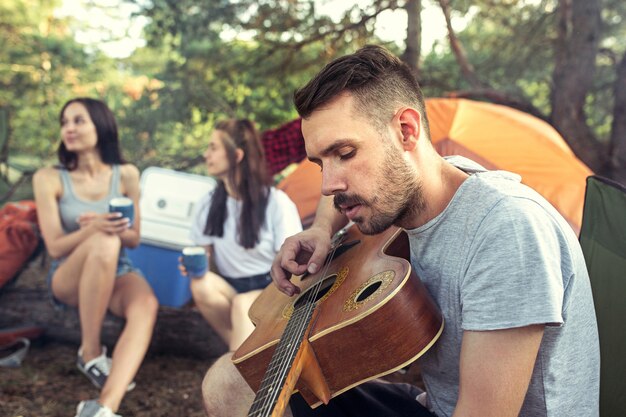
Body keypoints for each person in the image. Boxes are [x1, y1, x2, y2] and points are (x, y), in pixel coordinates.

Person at [203, 45, 601, 417]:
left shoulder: (505, 229)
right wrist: (323, 230)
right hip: (435, 405)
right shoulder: (422, 182)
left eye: (345, 153)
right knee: (230, 382)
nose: (327, 184)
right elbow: (338, 192)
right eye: (320, 162)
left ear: (406, 131)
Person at [33, 97, 158, 417]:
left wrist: (111, 227)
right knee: (103, 239)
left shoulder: (127, 174)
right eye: (64, 122)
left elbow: (133, 238)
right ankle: (90, 352)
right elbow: (56, 247)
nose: (69, 129)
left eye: (78, 121)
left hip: (118, 268)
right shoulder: (48, 177)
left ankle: (104, 407)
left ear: (100, 126)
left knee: (145, 304)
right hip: (68, 273)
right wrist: (96, 228)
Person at [184, 118, 302, 352]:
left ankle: (235, 366)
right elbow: (205, 259)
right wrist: (193, 265)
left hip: (273, 288)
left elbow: (294, 267)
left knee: (242, 304)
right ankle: (247, 356)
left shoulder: (275, 203)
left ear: (237, 156)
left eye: (213, 148)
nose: (206, 154)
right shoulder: (207, 203)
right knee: (201, 284)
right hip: (231, 287)